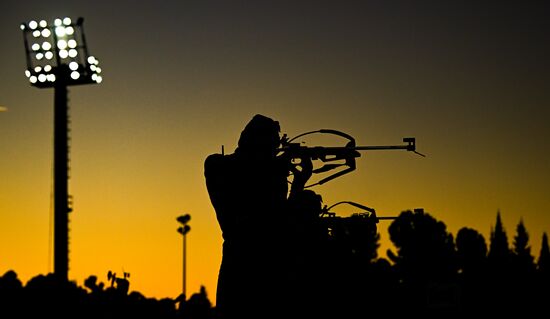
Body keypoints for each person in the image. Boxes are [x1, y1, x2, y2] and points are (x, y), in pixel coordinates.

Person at [204, 114, 312, 318]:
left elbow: (283, 222)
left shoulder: (271, 173)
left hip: (269, 271)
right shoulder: (218, 165)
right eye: (270, 143)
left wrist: (298, 184)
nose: (274, 150)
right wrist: (277, 169)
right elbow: (257, 213)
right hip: (241, 270)